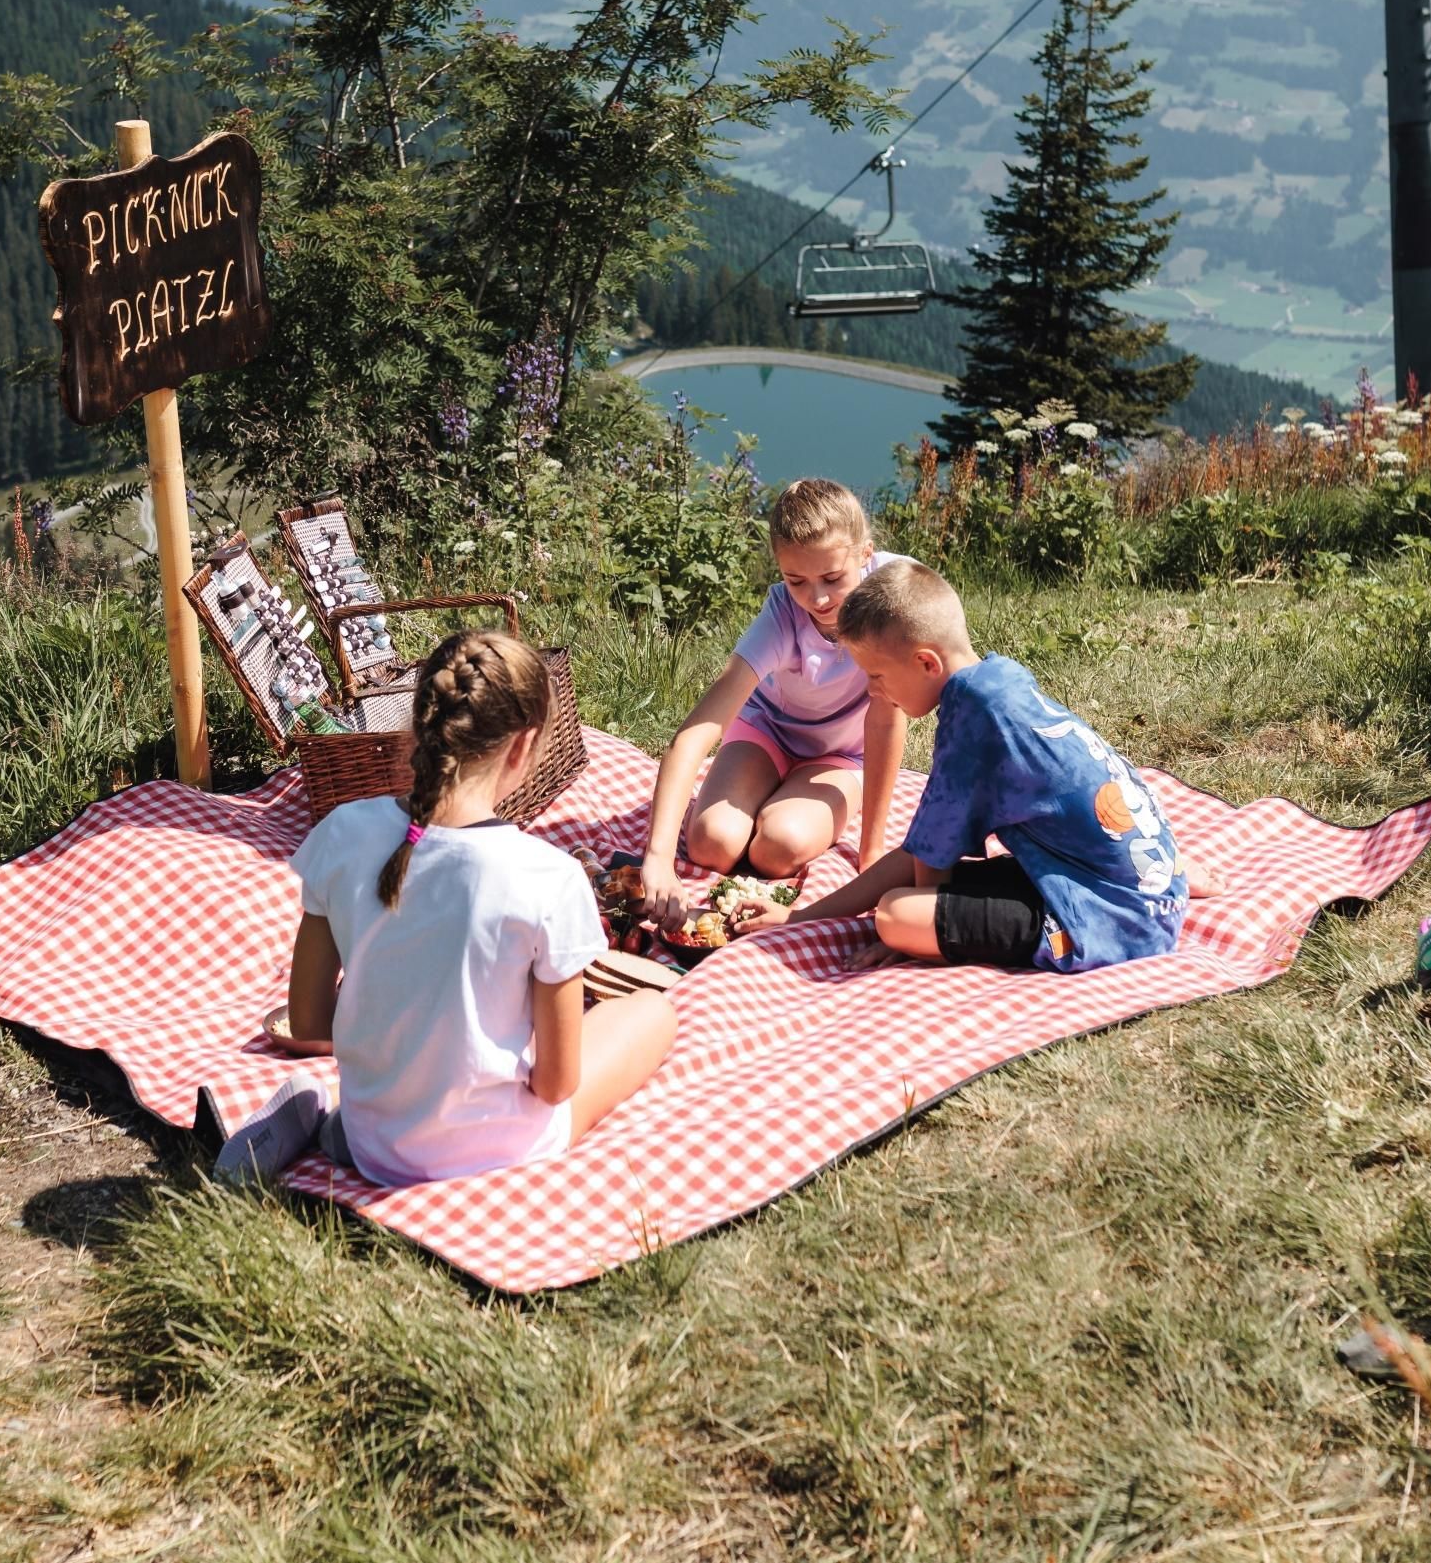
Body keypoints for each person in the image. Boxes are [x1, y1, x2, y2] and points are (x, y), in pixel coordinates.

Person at [215, 629, 677, 1186]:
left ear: (419, 727)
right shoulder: (548, 877)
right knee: (651, 1014)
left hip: (374, 1142)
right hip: (500, 1150)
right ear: (523, 747)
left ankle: (330, 1112)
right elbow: (556, 1085)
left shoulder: (342, 833)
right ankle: (343, 1111)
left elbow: (309, 1020)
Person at [726, 559, 1198, 971]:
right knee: (903, 894)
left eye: (877, 675)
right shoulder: (998, 679)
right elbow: (920, 851)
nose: (873, 691)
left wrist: (921, 937)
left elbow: (929, 869)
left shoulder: (972, 725)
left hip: (1113, 919)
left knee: (894, 915)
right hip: (1132, 887)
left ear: (926, 663)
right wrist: (801, 917)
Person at [637, 478, 910, 925]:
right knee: (711, 844)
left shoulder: (895, 597)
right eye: (795, 580)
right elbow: (694, 735)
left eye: (833, 578)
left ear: (865, 554)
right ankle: (762, 795)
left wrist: (872, 850)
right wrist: (658, 858)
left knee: (779, 847)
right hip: (766, 733)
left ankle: (782, 803)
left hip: (840, 754)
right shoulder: (782, 617)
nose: (817, 598)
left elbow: (887, 717)